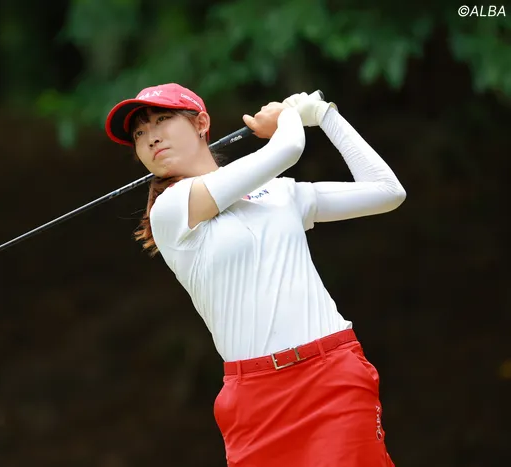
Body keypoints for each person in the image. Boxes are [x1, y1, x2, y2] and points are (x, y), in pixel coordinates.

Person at [105, 82, 405, 466]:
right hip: (254, 399)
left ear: (201, 123)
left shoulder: (279, 194)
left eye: (162, 120)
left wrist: (325, 115)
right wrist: (290, 117)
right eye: (139, 134)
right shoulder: (170, 208)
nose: (151, 137)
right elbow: (288, 149)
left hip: (331, 377)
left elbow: (387, 191)